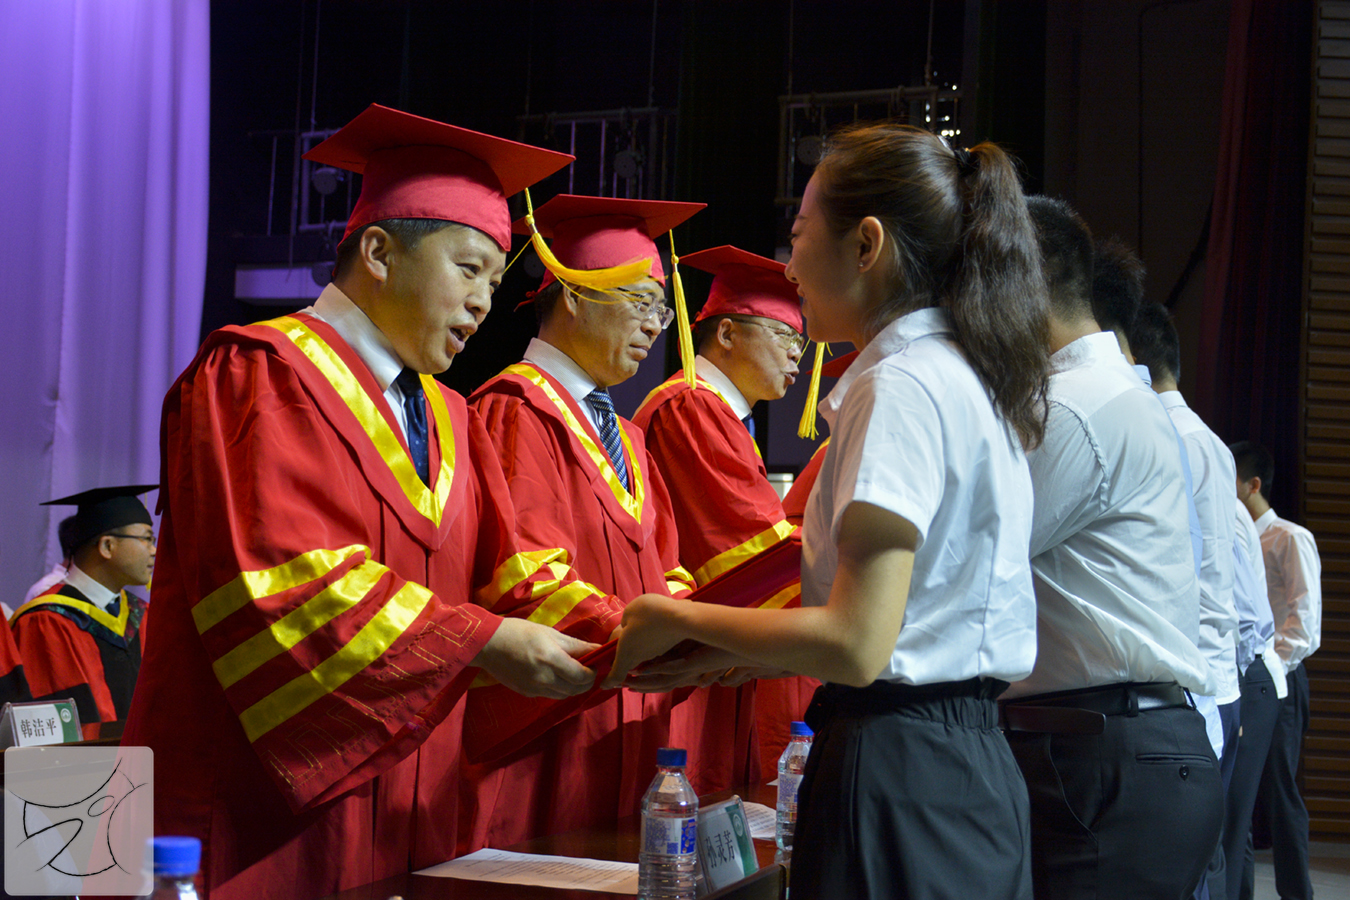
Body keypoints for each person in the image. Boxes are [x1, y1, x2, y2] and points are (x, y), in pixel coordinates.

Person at [119, 105, 600, 900]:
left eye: (495, 281)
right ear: (377, 252)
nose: (484, 302)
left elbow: (510, 583)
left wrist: (642, 639)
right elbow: (288, 583)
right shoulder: (259, 373)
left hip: (410, 816)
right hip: (257, 819)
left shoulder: (451, 415)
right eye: (469, 268)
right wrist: (481, 641)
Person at [605, 123, 1051, 899]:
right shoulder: (967, 372)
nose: (789, 266)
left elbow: (857, 644)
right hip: (967, 762)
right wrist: (746, 653)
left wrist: (673, 616)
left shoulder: (899, 384)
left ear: (866, 245)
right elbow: (918, 623)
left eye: (799, 234)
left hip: (899, 766)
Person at [463, 193, 704, 848]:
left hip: (636, 715)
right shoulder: (514, 408)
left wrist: (694, 629)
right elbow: (525, 577)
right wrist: (656, 637)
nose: (655, 326)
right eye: (641, 301)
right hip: (556, 725)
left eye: (661, 309)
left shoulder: (629, 436)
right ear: (573, 295)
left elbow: (670, 568)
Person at [1001, 196, 1223, 900]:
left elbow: (972, 559)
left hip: (1102, 748)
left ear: (1021, 284)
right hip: (1120, 743)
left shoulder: (1073, 407)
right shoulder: (1103, 394)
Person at [631, 244, 804, 788]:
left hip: (715, 653)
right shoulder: (690, 406)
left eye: (801, 344)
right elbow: (748, 550)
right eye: (784, 336)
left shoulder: (721, 414)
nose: (796, 357)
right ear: (727, 333)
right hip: (690, 654)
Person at [1130, 299, 1243, 900]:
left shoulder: (1160, 434)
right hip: (1221, 678)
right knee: (1206, 865)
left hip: (1188, 687)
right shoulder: (1214, 443)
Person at [1232, 440, 1321, 900]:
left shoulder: (1289, 537)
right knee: (1240, 796)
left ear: (1253, 484)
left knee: (1280, 793)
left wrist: (1271, 672)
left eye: (1230, 480)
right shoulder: (1236, 536)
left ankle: (1297, 894)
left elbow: (1305, 624)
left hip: (1280, 676)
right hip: (1244, 679)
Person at [11, 485, 155, 738]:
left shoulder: (142, 615)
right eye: (146, 539)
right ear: (107, 546)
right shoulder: (45, 621)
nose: (154, 550)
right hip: (86, 761)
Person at [1222, 494, 1286, 900]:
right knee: (1233, 824)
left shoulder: (1224, 509)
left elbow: (1249, 619)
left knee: (1230, 823)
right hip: (1242, 674)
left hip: (1248, 674)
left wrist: (1236, 685)